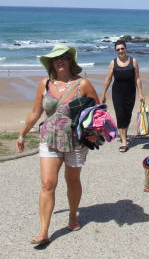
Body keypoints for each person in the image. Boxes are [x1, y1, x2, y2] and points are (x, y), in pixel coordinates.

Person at [16, 45, 100, 245]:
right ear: (51, 63)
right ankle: (44, 231)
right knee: (48, 183)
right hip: (49, 139)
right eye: (56, 58)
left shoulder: (83, 84)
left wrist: (94, 133)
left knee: (72, 180)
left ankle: (72, 215)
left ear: (70, 60)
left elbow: (97, 111)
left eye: (64, 57)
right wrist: (22, 134)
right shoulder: (44, 84)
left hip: (75, 141)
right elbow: (35, 112)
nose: (60, 60)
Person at [100, 40, 145, 152]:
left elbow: (137, 78)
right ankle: (124, 141)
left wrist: (141, 93)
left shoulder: (133, 61)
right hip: (117, 94)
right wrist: (103, 93)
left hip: (131, 93)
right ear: (116, 51)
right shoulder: (113, 63)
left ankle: (123, 134)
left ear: (126, 48)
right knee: (120, 115)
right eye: (118, 49)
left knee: (127, 115)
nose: (120, 51)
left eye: (122, 48)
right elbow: (108, 79)